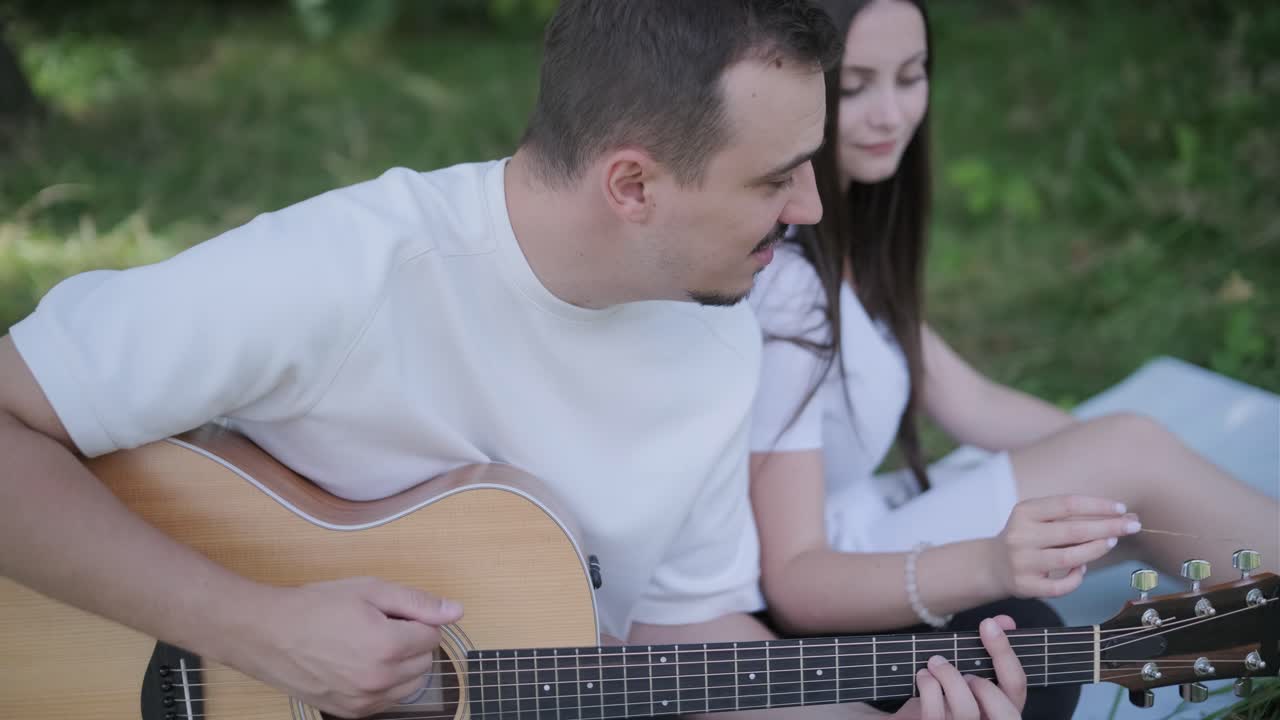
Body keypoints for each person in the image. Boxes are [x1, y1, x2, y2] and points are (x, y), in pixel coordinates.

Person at [0, 2, 1029, 718]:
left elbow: (690, 628)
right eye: (775, 179)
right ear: (632, 185)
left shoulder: (720, 329)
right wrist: (254, 631)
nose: (810, 210)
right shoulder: (339, 272)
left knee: (1029, 646)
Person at [746, 0, 1279, 714]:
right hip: (843, 566)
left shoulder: (847, 237)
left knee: (1128, 456)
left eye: (911, 77)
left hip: (875, 522)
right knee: (1132, 454)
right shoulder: (784, 286)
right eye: (854, 88)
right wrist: (1129, 460)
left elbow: (971, 400)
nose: (891, 114)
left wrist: (1112, 454)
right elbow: (792, 573)